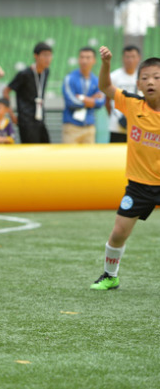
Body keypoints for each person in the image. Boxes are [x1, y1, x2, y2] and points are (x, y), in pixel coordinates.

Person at [90, 46, 160, 290]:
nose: (150, 82)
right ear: (138, 85)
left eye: (157, 77)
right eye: (145, 78)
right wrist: (106, 64)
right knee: (118, 232)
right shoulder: (132, 104)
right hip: (139, 186)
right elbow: (105, 88)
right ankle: (110, 275)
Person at [4, 42, 53, 143]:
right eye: (44, 55)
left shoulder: (46, 72)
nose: (47, 58)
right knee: (31, 150)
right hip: (26, 119)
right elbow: (6, 91)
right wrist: (12, 115)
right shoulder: (24, 74)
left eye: (49, 55)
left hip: (40, 117)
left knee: (46, 145)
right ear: (36, 56)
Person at [62, 47, 105, 144]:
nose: (84, 61)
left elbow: (101, 102)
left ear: (94, 60)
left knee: (89, 158)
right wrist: (92, 99)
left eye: (88, 57)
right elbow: (71, 101)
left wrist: (82, 98)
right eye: (82, 57)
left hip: (89, 128)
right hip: (72, 127)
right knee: (69, 158)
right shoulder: (69, 78)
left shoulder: (97, 81)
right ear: (78, 59)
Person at [106, 45, 142, 143]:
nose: (130, 60)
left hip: (137, 125)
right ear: (123, 58)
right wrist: (114, 116)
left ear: (138, 58)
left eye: (133, 56)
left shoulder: (143, 77)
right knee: (115, 155)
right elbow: (107, 100)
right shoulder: (114, 76)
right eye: (127, 57)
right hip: (116, 125)